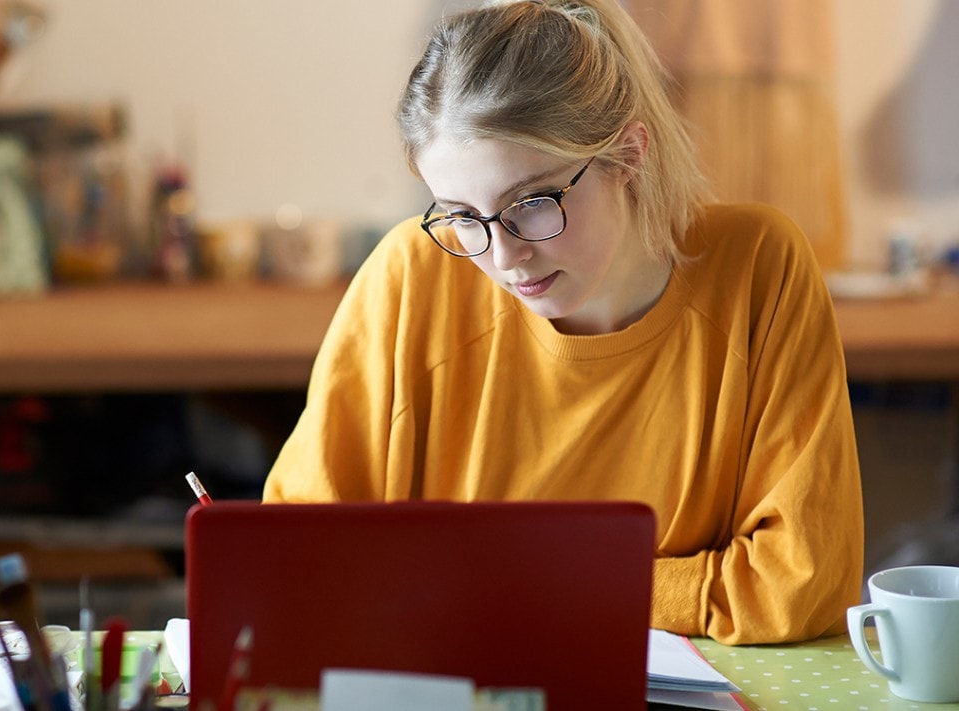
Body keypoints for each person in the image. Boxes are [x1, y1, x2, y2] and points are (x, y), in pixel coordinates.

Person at [261, 0, 863, 645]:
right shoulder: (412, 274)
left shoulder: (759, 267)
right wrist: (650, 585)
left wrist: (504, 583)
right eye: (462, 214)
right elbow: (300, 553)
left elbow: (801, 582)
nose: (502, 256)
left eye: (532, 203)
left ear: (628, 156)